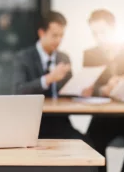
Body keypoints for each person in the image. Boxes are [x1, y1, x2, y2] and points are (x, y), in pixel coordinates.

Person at [83, 9, 124, 172]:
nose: (99, 38)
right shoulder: (90, 54)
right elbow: (87, 90)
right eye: (95, 34)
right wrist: (103, 89)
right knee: (92, 142)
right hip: (104, 117)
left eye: (103, 32)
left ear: (114, 29)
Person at [13, 11, 87, 141]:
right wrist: (49, 79)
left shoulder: (63, 58)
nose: (58, 40)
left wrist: (81, 91)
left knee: (88, 144)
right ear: (42, 33)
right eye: (54, 35)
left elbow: (69, 91)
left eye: (61, 36)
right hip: (33, 124)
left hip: (60, 122)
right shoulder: (23, 57)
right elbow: (19, 90)